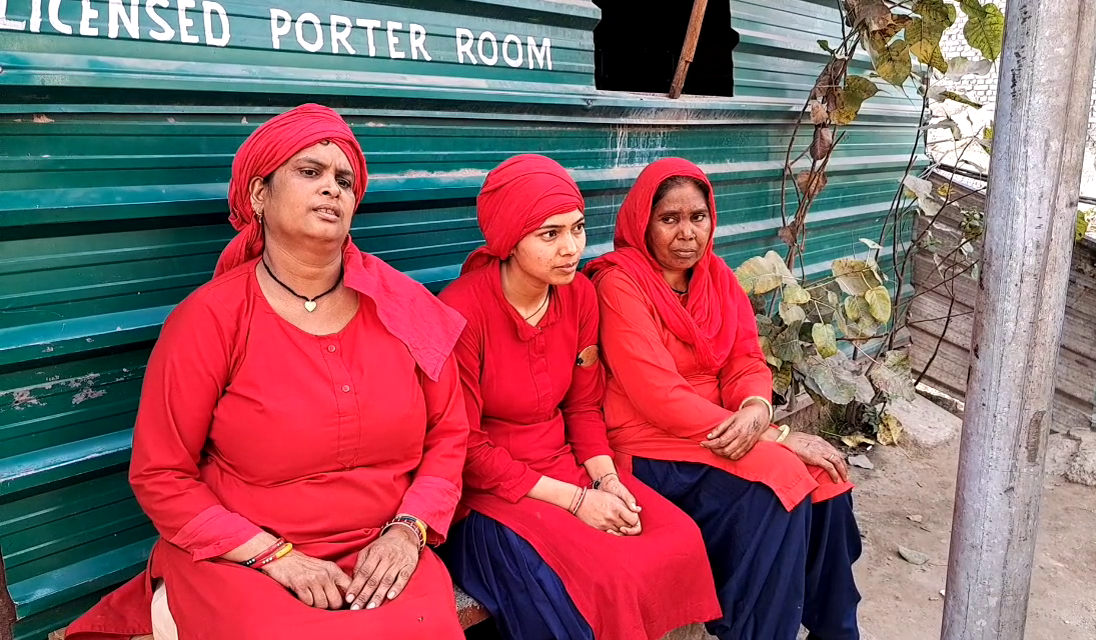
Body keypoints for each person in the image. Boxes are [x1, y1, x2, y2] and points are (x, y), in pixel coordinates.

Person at [65, 104, 469, 640]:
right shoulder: (210, 319)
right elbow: (161, 474)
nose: (332, 189)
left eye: (344, 180)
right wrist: (275, 556)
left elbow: (449, 435)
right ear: (259, 195)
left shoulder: (406, 308)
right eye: (310, 171)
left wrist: (408, 531)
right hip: (245, 558)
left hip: (383, 555)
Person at [437, 154, 721, 640]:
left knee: (677, 539)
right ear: (509, 239)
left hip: (566, 463)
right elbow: (465, 445)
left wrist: (607, 480)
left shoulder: (579, 296)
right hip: (489, 493)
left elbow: (583, 406)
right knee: (594, 582)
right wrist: (575, 502)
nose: (571, 248)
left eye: (578, 228)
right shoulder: (461, 309)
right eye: (550, 234)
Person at [585, 157, 862, 640]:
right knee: (780, 485)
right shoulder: (618, 283)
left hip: (721, 434)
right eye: (669, 219)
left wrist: (755, 408)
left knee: (825, 477)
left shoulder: (716, 277)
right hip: (651, 444)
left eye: (698, 217)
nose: (687, 233)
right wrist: (775, 437)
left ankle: (835, 630)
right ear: (643, 223)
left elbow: (745, 360)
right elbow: (657, 395)